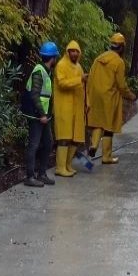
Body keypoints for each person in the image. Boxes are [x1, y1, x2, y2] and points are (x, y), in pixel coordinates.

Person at [87, 33, 137, 164]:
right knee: (108, 126)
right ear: (122, 47)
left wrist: (89, 94)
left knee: (98, 122)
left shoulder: (99, 58)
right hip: (109, 96)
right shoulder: (118, 62)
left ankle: (94, 145)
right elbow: (121, 85)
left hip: (95, 95)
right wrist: (130, 96)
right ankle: (106, 156)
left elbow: (91, 76)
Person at [22, 41, 59, 187]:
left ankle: (42, 174)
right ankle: (30, 176)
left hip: (44, 115)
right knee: (34, 144)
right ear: (53, 58)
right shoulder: (39, 71)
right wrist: (42, 114)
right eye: (55, 57)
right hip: (37, 115)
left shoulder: (46, 71)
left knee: (48, 143)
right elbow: (35, 95)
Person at [53, 40, 88, 178]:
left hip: (77, 108)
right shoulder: (61, 65)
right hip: (64, 108)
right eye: (72, 51)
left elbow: (83, 88)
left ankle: (68, 165)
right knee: (64, 138)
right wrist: (79, 80)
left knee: (75, 138)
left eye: (76, 51)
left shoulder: (79, 67)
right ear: (67, 52)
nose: (74, 53)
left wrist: (87, 104)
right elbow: (62, 83)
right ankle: (60, 167)